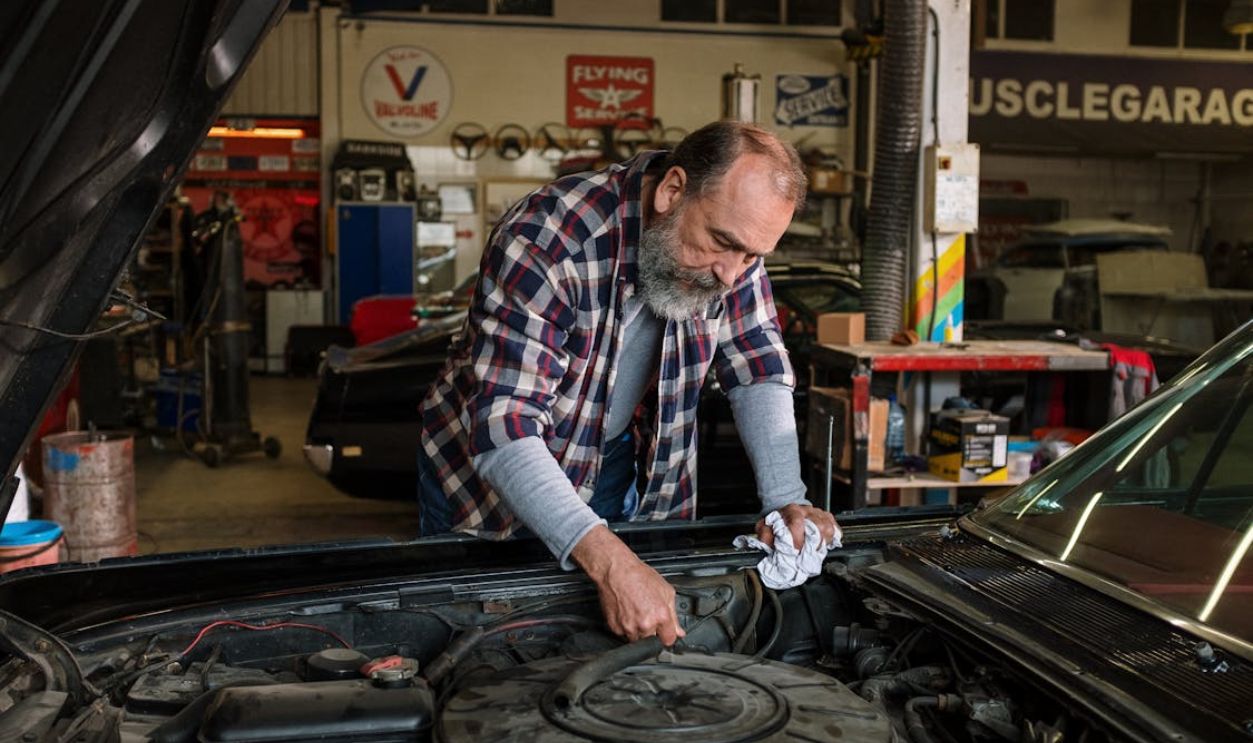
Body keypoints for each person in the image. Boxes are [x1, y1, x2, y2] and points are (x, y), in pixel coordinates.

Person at [417, 121, 839, 646]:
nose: (733, 275)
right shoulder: (549, 238)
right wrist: (610, 561)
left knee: (609, 640)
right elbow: (506, 425)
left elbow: (758, 364)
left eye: (753, 256)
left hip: (614, 457)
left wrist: (785, 499)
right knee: (491, 642)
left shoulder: (733, 250)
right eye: (723, 244)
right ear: (671, 191)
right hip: (489, 482)